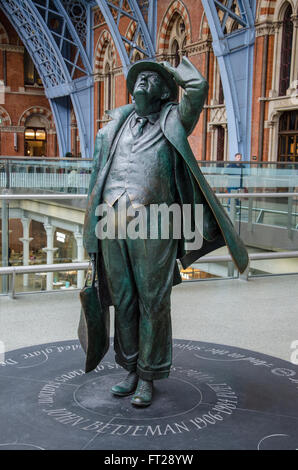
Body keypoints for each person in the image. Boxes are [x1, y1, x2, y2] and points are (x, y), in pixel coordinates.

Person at [82, 57, 248, 407]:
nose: (143, 82)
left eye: (151, 80)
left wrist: (168, 72)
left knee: (153, 301)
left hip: (157, 221)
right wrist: (91, 235)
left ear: (163, 94)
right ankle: (129, 368)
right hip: (111, 219)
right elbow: (96, 179)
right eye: (139, 78)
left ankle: (149, 374)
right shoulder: (111, 128)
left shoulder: (174, 120)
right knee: (123, 300)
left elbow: (198, 87)